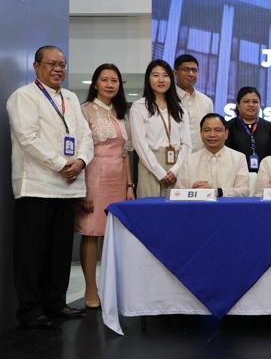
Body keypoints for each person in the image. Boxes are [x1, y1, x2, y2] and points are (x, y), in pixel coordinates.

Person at [7, 45, 93, 328]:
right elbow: (27, 138)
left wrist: (81, 161)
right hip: (36, 186)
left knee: (59, 252)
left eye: (62, 64)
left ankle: (56, 304)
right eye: (52, 64)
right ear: (36, 66)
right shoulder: (23, 96)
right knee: (32, 253)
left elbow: (86, 136)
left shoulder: (70, 97)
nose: (58, 69)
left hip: (68, 187)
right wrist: (61, 164)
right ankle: (30, 311)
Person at [76, 63, 134, 309]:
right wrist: (85, 189)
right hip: (94, 176)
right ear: (95, 83)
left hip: (118, 179)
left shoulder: (122, 113)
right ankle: (90, 288)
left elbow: (125, 153)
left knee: (112, 235)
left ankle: (109, 287)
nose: (110, 84)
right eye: (105, 79)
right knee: (91, 233)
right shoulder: (85, 110)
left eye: (114, 80)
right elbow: (81, 151)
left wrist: (130, 185)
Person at [130, 59, 192, 197]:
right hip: (150, 165)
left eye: (165, 75)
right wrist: (159, 172)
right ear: (148, 79)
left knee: (176, 208)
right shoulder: (139, 106)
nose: (161, 80)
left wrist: (175, 171)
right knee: (150, 208)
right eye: (155, 75)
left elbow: (187, 144)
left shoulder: (180, 108)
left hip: (177, 165)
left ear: (171, 79)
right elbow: (139, 143)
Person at [177, 113, 249, 196]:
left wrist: (216, 192)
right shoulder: (189, 160)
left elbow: (243, 192)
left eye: (217, 130)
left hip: (227, 204)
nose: (212, 135)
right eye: (207, 130)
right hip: (197, 204)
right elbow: (179, 193)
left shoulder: (239, 158)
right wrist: (195, 193)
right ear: (200, 133)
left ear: (226, 133)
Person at [225, 86, 271, 172]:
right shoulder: (228, 128)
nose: (251, 105)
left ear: (260, 105)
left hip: (265, 175)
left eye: (255, 102)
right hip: (236, 175)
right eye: (246, 101)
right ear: (238, 105)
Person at [174, 54, 214, 152]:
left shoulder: (206, 102)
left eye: (194, 70)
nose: (191, 74)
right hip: (173, 158)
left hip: (200, 158)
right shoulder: (166, 99)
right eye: (186, 69)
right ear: (175, 73)